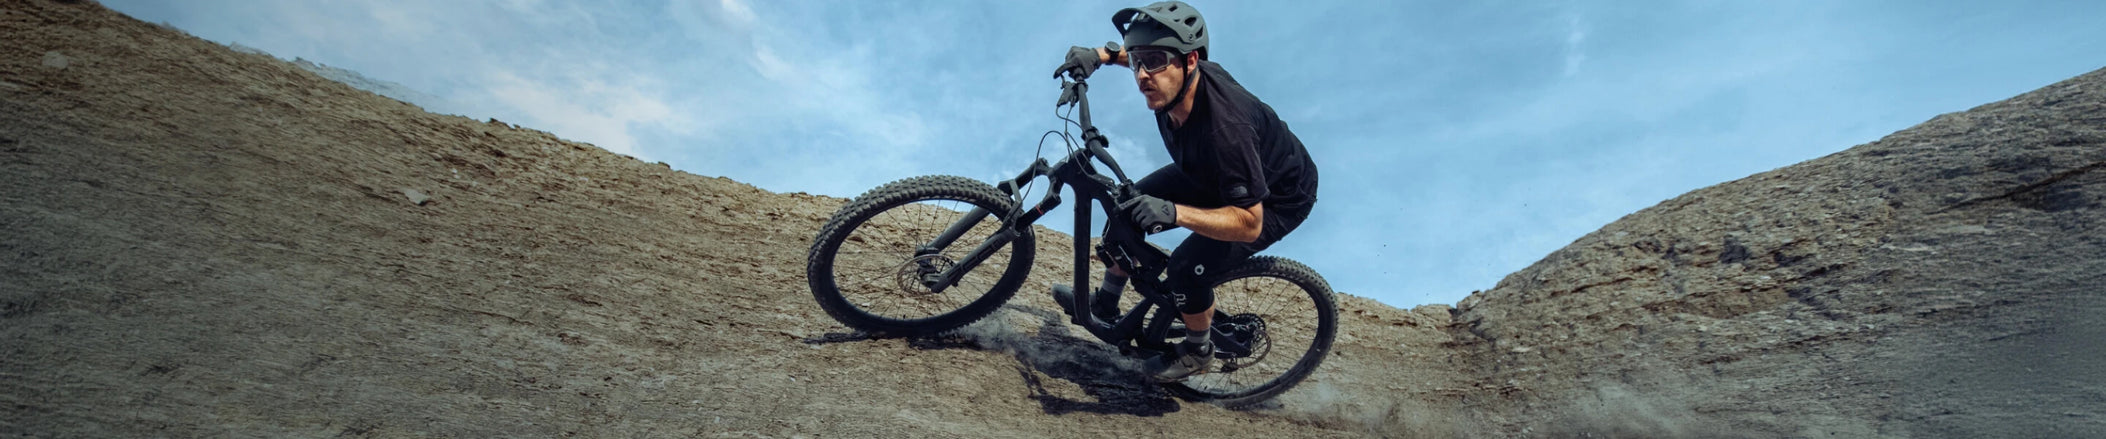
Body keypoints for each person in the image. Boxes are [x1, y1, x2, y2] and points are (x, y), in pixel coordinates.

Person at [1052, 1, 1319, 382]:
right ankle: (1106, 305)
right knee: (1123, 210)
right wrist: (1101, 55)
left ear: (1190, 61)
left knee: (1185, 270)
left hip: (1274, 198)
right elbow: (1150, 55)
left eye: (1154, 63)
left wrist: (1174, 213)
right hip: (1209, 171)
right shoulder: (1169, 78)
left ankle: (1197, 349)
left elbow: (1249, 223)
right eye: (1138, 63)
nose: (1143, 75)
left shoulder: (1226, 128)